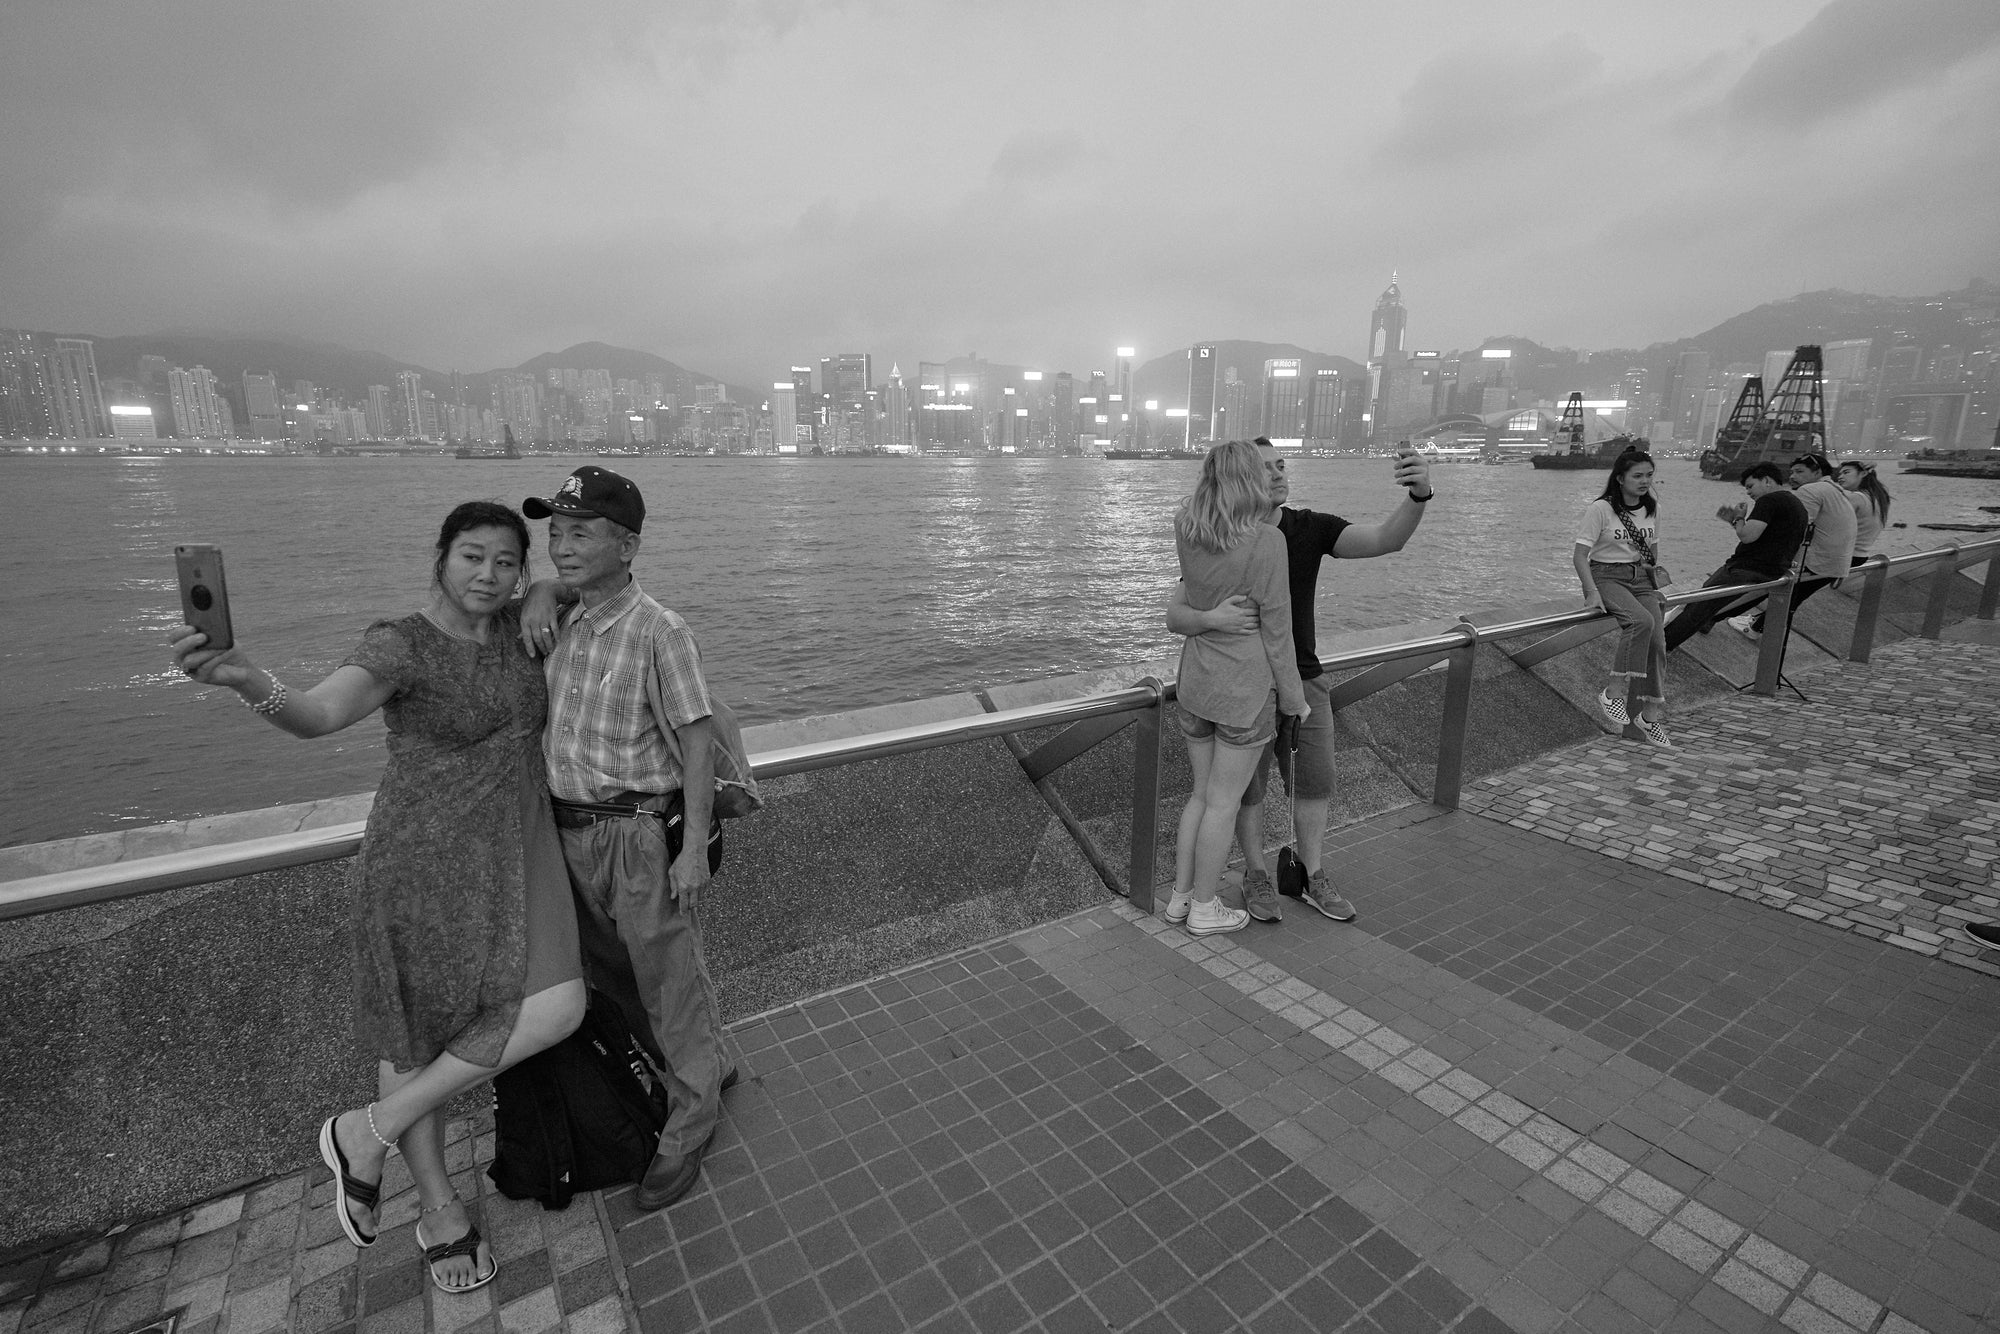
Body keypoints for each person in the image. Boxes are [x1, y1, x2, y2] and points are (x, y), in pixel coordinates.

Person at [169, 502, 586, 1295]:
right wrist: (244, 677)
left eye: (506, 562)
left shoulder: (518, 627)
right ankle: (436, 1209)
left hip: (516, 846)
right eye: (473, 557)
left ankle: (366, 1133)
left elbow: (579, 586)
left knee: (559, 1005)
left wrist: (545, 596)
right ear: (440, 558)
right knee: (415, 1039)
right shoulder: (401, 644)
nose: (488, 575)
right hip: (421, 861)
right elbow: (320, 715)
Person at [519, 465, 733, 1212]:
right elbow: (512, 602)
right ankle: (701, 1068)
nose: (561, 545)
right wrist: (544, 590)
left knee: (667, 977)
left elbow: (697, 741)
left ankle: (693, 1114)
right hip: (568, 831)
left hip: (638, 832)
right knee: (613, 978)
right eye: (556, 531)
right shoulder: (563, 617)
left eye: (581, 532)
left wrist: (692, 848)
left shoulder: (659, 629)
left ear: (628, 545)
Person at [1165, 440, 1433, 924]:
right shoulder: (1236, 537)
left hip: (1249, 683)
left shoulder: (1285, 528)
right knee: (1238, 796)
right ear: (1244, 478)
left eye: (1281, 465)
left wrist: (1418, 496)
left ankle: (1302, 876)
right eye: (1262, 468)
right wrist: (1215, 620)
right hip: (1255, 689)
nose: (1276, 475)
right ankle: (1246, 879)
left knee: (1301, 784)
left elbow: (1384, 540)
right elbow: (1197, 616)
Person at [1162, 440, 1308, 936]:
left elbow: (1184, 606)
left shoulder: (1188, 530)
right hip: (1243, 694)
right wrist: (1294, 698)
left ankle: (1181, 897)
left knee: (1200, 796)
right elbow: (1277, 630)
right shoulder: (1267, 542)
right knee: (1224, 803)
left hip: (1196, 685)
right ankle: (1206, 907)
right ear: (1249, 480)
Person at [1574, 448, 1672, 747]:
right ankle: (1612, 692)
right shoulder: (1601, 509)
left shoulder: (1652, 508)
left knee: (1658, 640)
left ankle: (1650, 714)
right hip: (1607, 575)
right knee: (1640, 621)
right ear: (1620, 478)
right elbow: (1580, 556)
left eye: (1649, 476)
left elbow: (1652, 552)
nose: (1645, 481)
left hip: (1640, 579)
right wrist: (1591, 591)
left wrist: (1650, 572)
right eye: (1638, 476)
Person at [1665, 462, 1807, 649]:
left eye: (1750, 486)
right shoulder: (1797, 505)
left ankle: (1659, 647)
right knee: (1706, 609)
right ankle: (1670, 641)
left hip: (1745, 568)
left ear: (1766, 480)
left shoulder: (1769, 500)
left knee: (1696, 606)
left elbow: (1748, 536)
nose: (1748, 492)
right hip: (1773, 571)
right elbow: (1775, 537)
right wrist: (1736, 520)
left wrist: (1739, 517)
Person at [1730, 453, 1856, 638]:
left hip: (1816, 561)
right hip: (1837, 562)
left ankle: (1723, 620)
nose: (1792, 477)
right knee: (1790, 600)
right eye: (1792, 472)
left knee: (1765, 586)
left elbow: (1797, 529)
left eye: (1799, 471)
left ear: (1817, 472)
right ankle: (1759, 626)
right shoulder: (1836, 489)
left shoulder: (1810, 491)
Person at [1837, 459, 1892, 564]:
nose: (1840, 477)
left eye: (1846, 472)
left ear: (1863, 474)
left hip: (1845, 556)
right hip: (1861, 555)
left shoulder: (1855, 497)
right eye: (1840, 474)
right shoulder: (1877, 497)